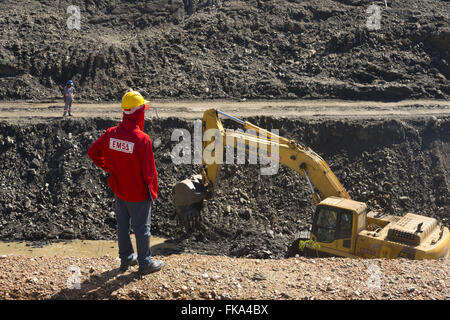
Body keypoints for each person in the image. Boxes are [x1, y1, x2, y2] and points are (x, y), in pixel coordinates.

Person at [87, 91, 163, 275]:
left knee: (122, 226)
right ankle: (145, 263)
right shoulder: (142, 140)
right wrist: (152, 193)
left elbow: (93, 152)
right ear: (139, 113)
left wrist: (110, 168)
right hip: (138, 194)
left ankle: (127, 258)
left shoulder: (111, 134)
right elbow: (149, 172)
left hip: (120, 190)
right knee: (142, 228)